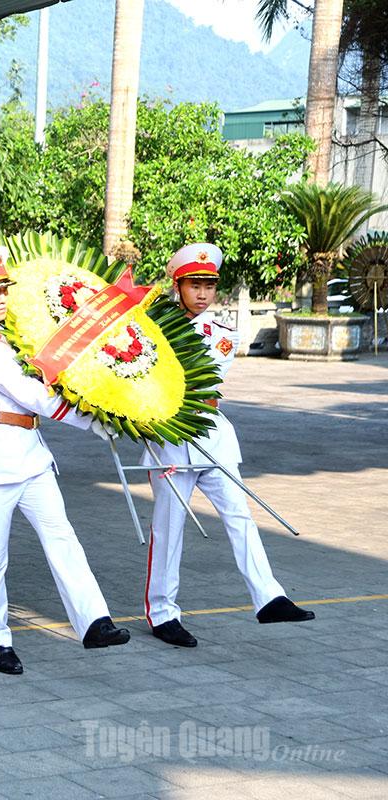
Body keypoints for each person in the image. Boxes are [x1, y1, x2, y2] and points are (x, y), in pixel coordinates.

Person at [0, 246, 130, 675]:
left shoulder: (9, 336)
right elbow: (32, 394)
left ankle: (94, 621)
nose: (1, 297)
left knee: (62, 537)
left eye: (4, 290)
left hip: (31, 456)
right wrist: (92, 418)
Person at [142, 243, 314, 647]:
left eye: (209, 286)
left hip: (210, 435)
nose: (202, 294)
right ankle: (162, 613)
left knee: (239, 515)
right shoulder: (150, 328)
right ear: (177, 286)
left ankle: (268, 597)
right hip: (170, 439)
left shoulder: (220, 334)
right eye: (194, 285)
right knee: (168, 529)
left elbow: (194, 376)